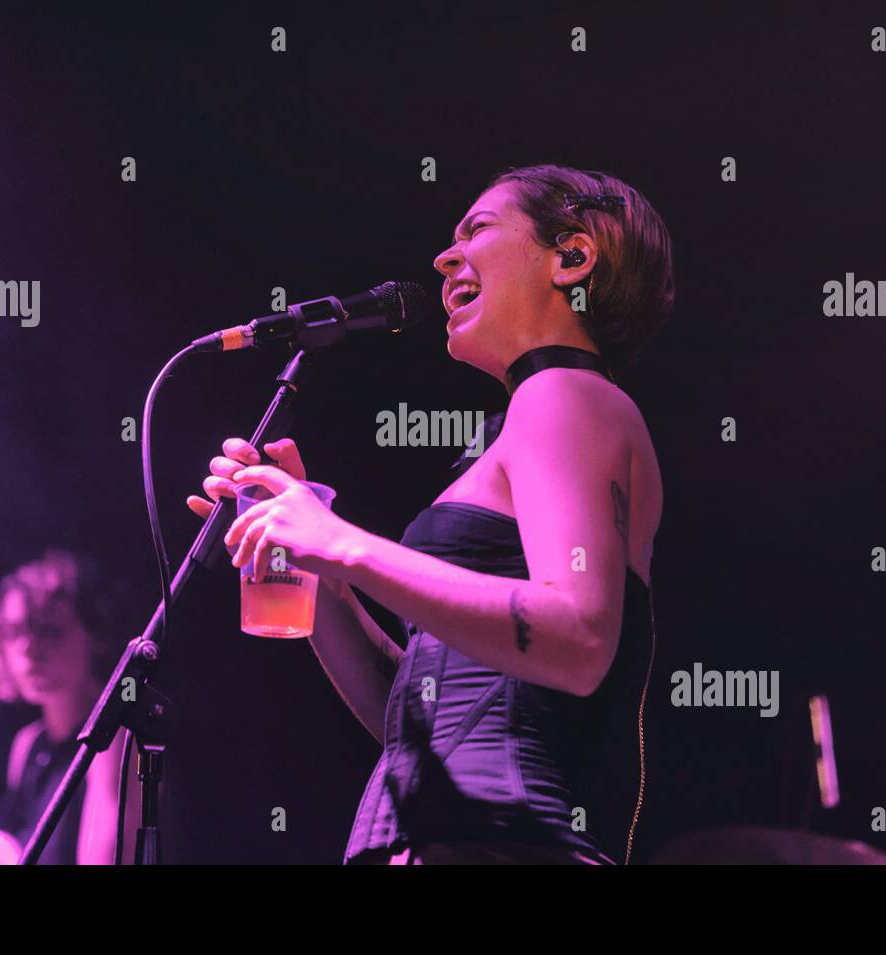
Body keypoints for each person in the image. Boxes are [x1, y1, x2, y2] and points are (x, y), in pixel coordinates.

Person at [188, 163, 672, 864]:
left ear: (571, 257)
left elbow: (578, 636)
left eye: (476, 229)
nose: (445, 257)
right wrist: (315, 565)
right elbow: (413, 717)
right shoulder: (521, 423)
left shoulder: (564, 393)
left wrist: (340, 540)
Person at [0, 549, 141, 864]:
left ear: (96, 634)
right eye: (14, 632)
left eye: (50, 629)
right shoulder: (28, 744)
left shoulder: (115, 742)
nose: (29, 647)